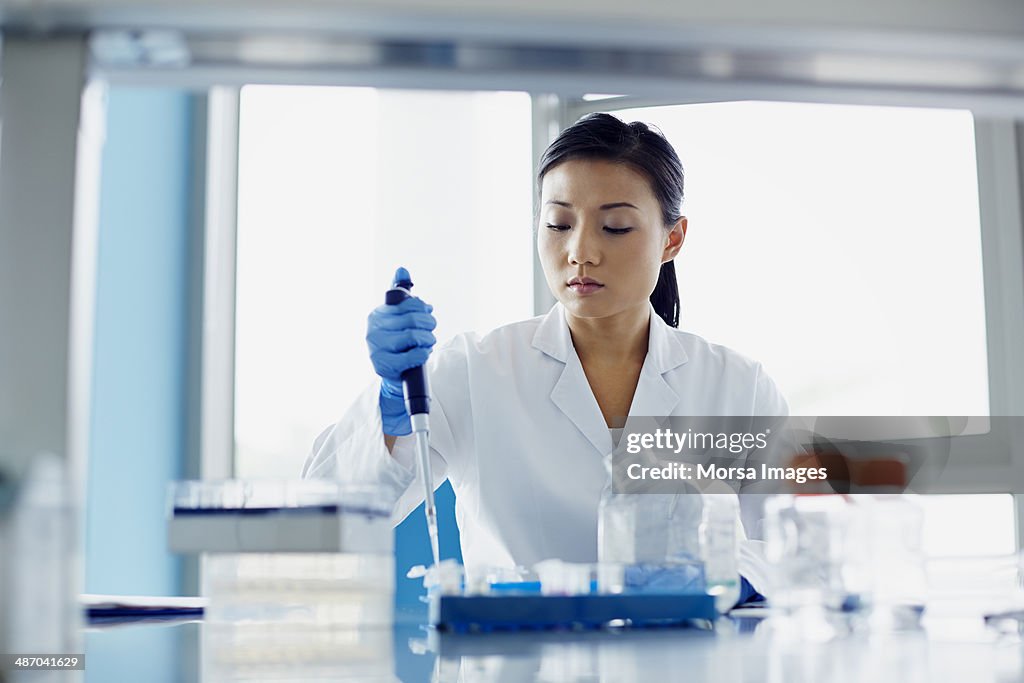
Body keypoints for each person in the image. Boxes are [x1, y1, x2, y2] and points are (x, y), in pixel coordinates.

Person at [303, 112, 787, 602]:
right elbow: (327, 519)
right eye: (559, 223)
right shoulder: (472, 369)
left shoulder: (738, 384)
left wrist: (719, 580)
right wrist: (390, 407)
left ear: (672, 238)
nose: (580, 251)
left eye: (615, 227)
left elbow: (800, 545)